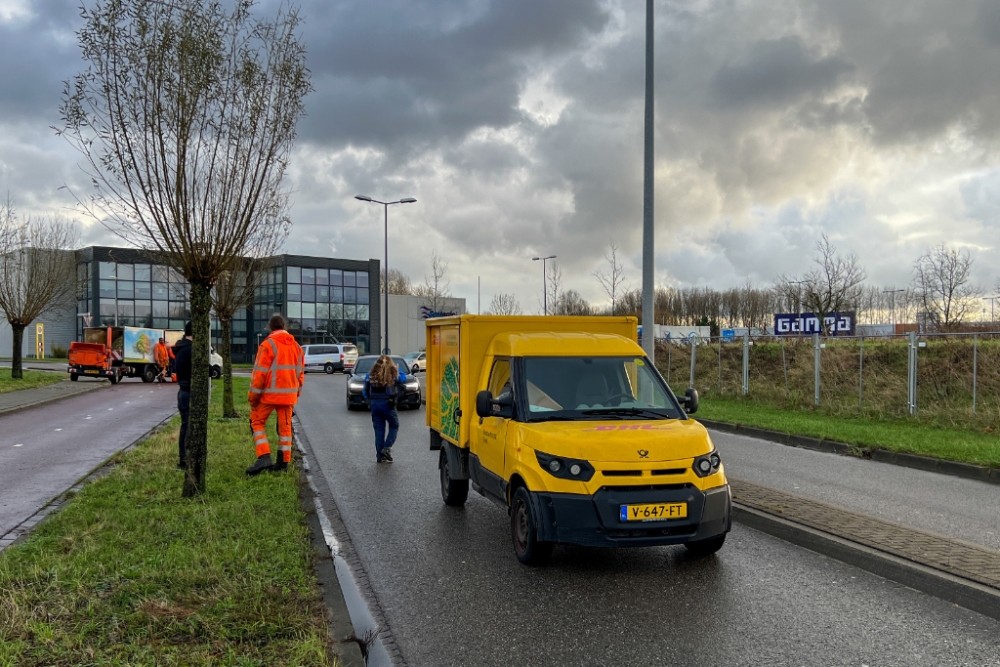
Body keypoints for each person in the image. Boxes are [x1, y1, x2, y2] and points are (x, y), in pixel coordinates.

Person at [246, 314, 305, 476]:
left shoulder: (268, 345)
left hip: (269, 395)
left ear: (270, 327)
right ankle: (283, 462)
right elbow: (300, 375)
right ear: (284, 327)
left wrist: (253, 398)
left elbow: (259, 375)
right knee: (285, 428)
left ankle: (264, 456)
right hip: (288, 397)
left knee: (256, 421)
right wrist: (295, 394)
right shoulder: (297, 347)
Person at [363, 355, 410, 463]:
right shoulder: (393, 374)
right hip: (388, 405)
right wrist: (397, 369)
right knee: (394, 425)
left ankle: (380, 456)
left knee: (379, 430)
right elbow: (403, 378)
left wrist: (369, 401)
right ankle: (386, 448)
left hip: (375, 405)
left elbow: (365, 390)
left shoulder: (370, 375)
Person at [172, 323, 193, 470]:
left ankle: (184, 458)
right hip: (189, 391)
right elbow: (206, 369)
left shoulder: (181, 348)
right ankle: (185, 460)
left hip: (183, 391)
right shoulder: (190, 350)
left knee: (186, 425)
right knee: (188, 426)